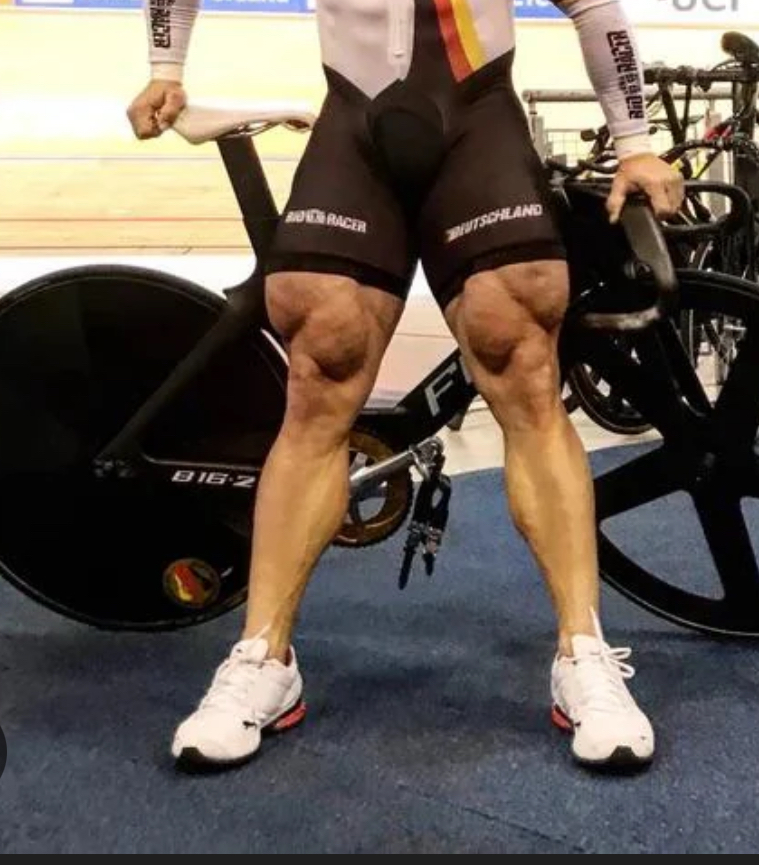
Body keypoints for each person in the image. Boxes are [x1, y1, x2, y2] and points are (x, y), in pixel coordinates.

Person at [127, 0, 683, 771]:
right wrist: (165, 67)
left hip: (476, 125)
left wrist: (635, 142)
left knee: (521, 359)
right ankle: (263, 657)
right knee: (320, 363)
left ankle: (583, 652)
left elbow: (592, 5)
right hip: (356, 128)